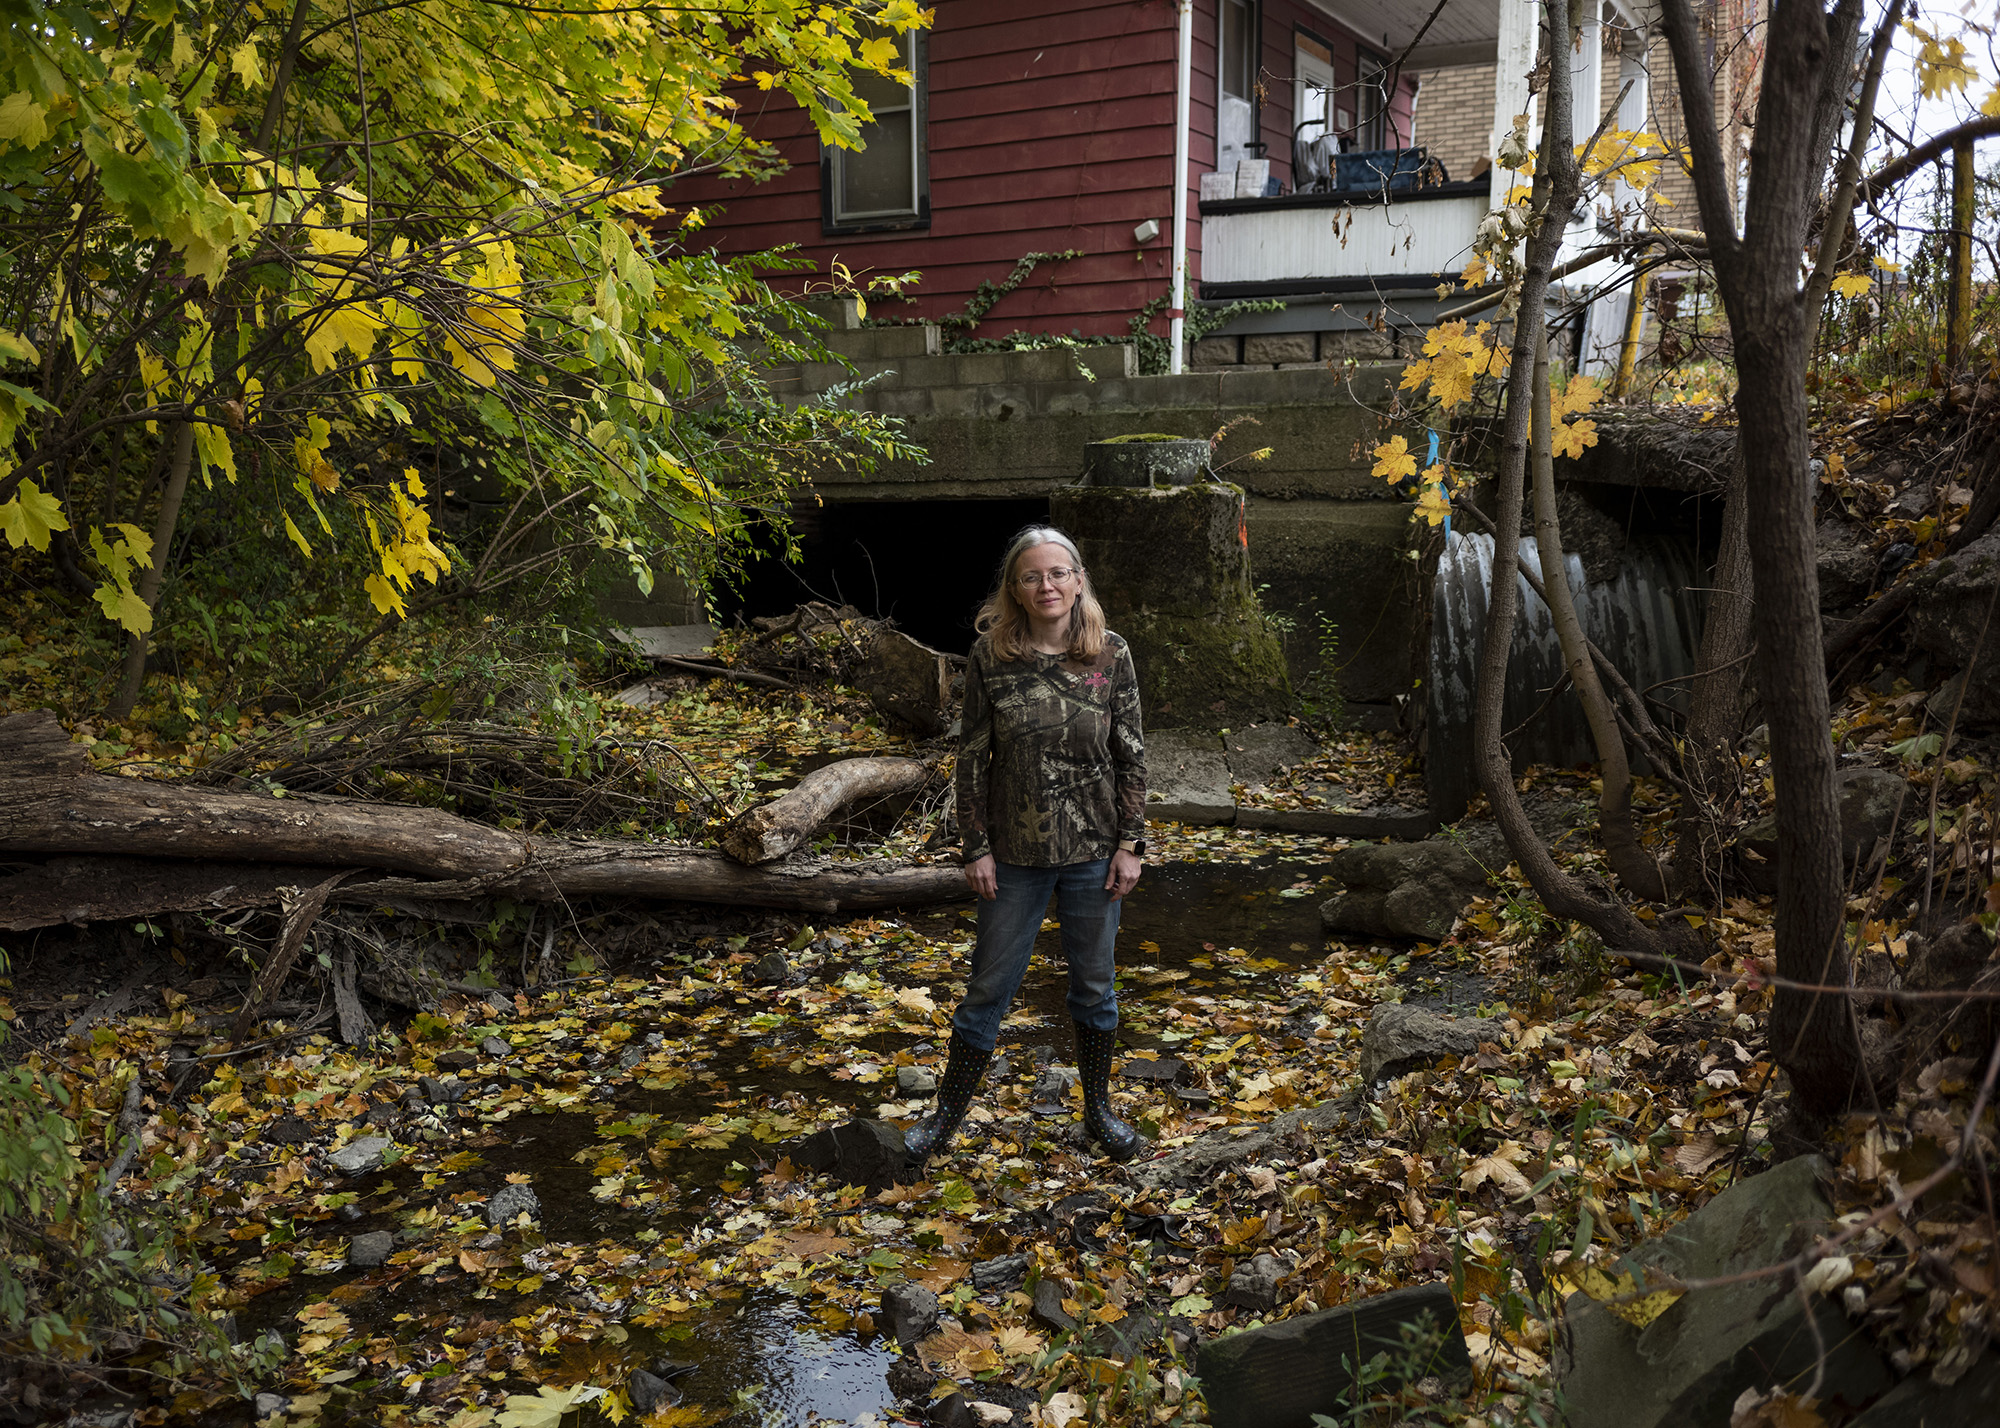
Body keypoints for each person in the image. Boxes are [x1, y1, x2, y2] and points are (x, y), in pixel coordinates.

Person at [904, 525, 1150, 1165]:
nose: (1048, 585)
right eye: (1032, 576)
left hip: (1095, 852)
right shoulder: (992, 656)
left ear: (1078, 580)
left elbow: (1133, 758)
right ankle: (944, 1123)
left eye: (1059, 573)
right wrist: (974, 846)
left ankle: (1098, 1111)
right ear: (1015, 588)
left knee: (1095, 987)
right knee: (988, 987)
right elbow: (973, 757)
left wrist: (1133, 844)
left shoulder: (1111, 654)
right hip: (1013, 855)